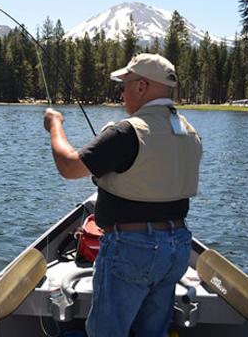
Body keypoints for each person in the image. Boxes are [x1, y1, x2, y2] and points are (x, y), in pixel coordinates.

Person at [43, 53, 202, 337]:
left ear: (141, 87)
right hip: (177, 247)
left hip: (133, 249)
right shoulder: (190, 132)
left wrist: (55, 126)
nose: (121, 92)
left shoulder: (126, 132)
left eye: (124, 85)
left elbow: (69, 167)